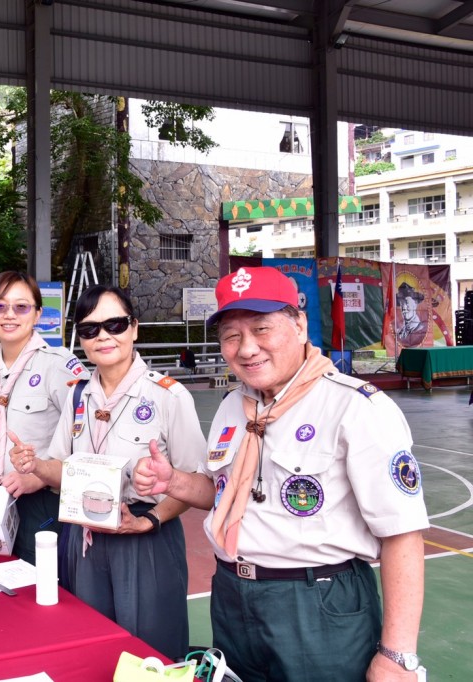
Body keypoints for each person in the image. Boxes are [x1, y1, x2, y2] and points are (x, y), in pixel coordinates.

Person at [133, 266, 428, 681]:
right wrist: (173, 481)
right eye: (232, 336)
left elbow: (402, 533)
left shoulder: (357, 408)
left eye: (262, 329)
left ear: (300, 324)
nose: (247, 348)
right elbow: (221, 492)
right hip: (233, 598)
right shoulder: (233, 407)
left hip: (317, 605)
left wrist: (397, 655)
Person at [10, 285, 205, 659]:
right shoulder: (78, 395)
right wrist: (34, 465)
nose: (103, 336)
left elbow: (197, 484)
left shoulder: (168, 396)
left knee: (150, 650)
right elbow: (61, 468)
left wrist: (149, 520)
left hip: (145, 539)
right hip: (82, 538)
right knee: (88, 646)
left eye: (114, 325)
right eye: (90, 329)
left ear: (134, 328)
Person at [0, 271, 86, 564]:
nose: (9, 315)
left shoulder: (59, 366)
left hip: (44, 502)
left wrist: (38, 477)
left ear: (37, 314)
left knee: (43, 588)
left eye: (21, 307)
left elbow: (88, 441)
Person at [396, 281, 429, 346]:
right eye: (402, 305)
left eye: (407, 304)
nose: (404, 309)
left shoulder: (420, 329)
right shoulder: (401, 330)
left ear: (415, 305)